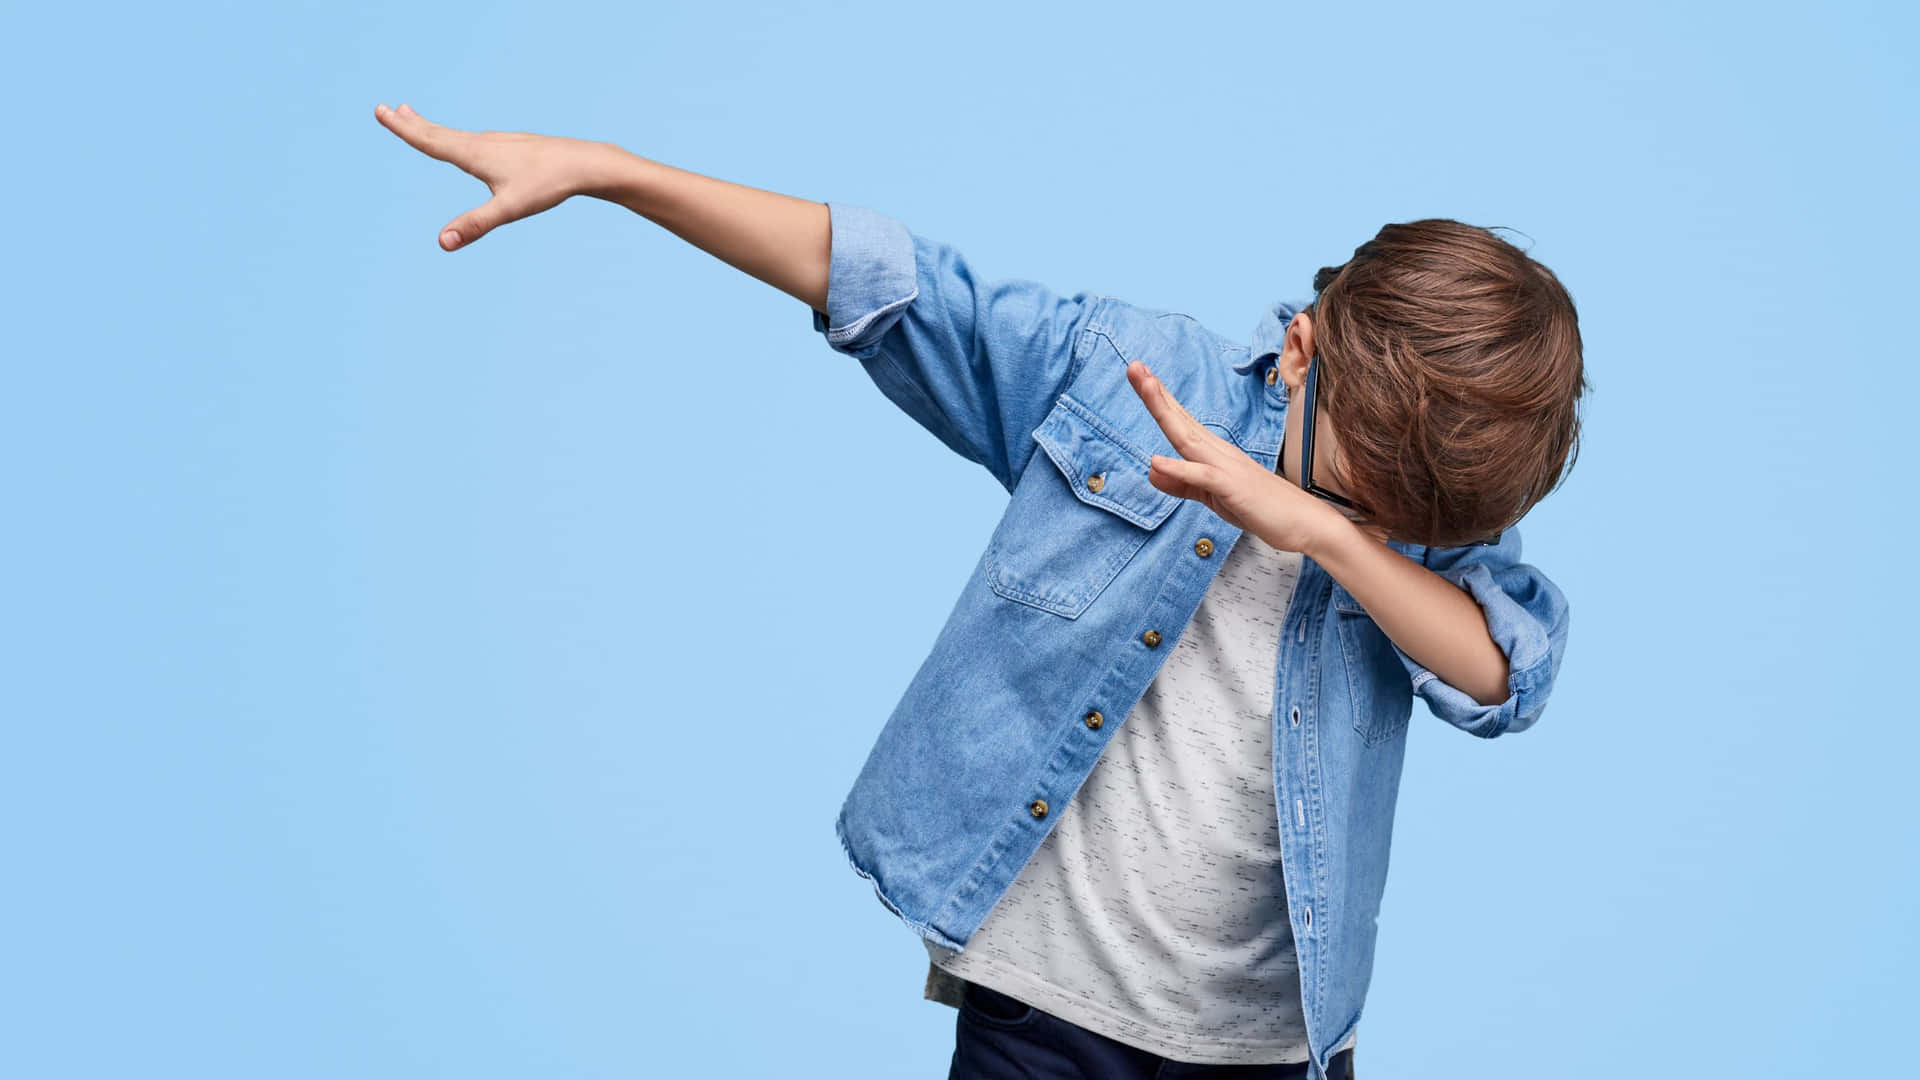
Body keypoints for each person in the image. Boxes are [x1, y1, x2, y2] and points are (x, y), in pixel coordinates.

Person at [375, 102, 1584, 1080]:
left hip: (1271, 1044)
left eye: (1405, 523)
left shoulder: (1429, 491)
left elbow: (1503, 674)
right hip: (1046, 1006)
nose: (1383, 522)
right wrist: (614, 172)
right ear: (1307, 346)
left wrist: (1323, 530)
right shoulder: (1128, 374)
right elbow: (894, 287)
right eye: (1360, 490)